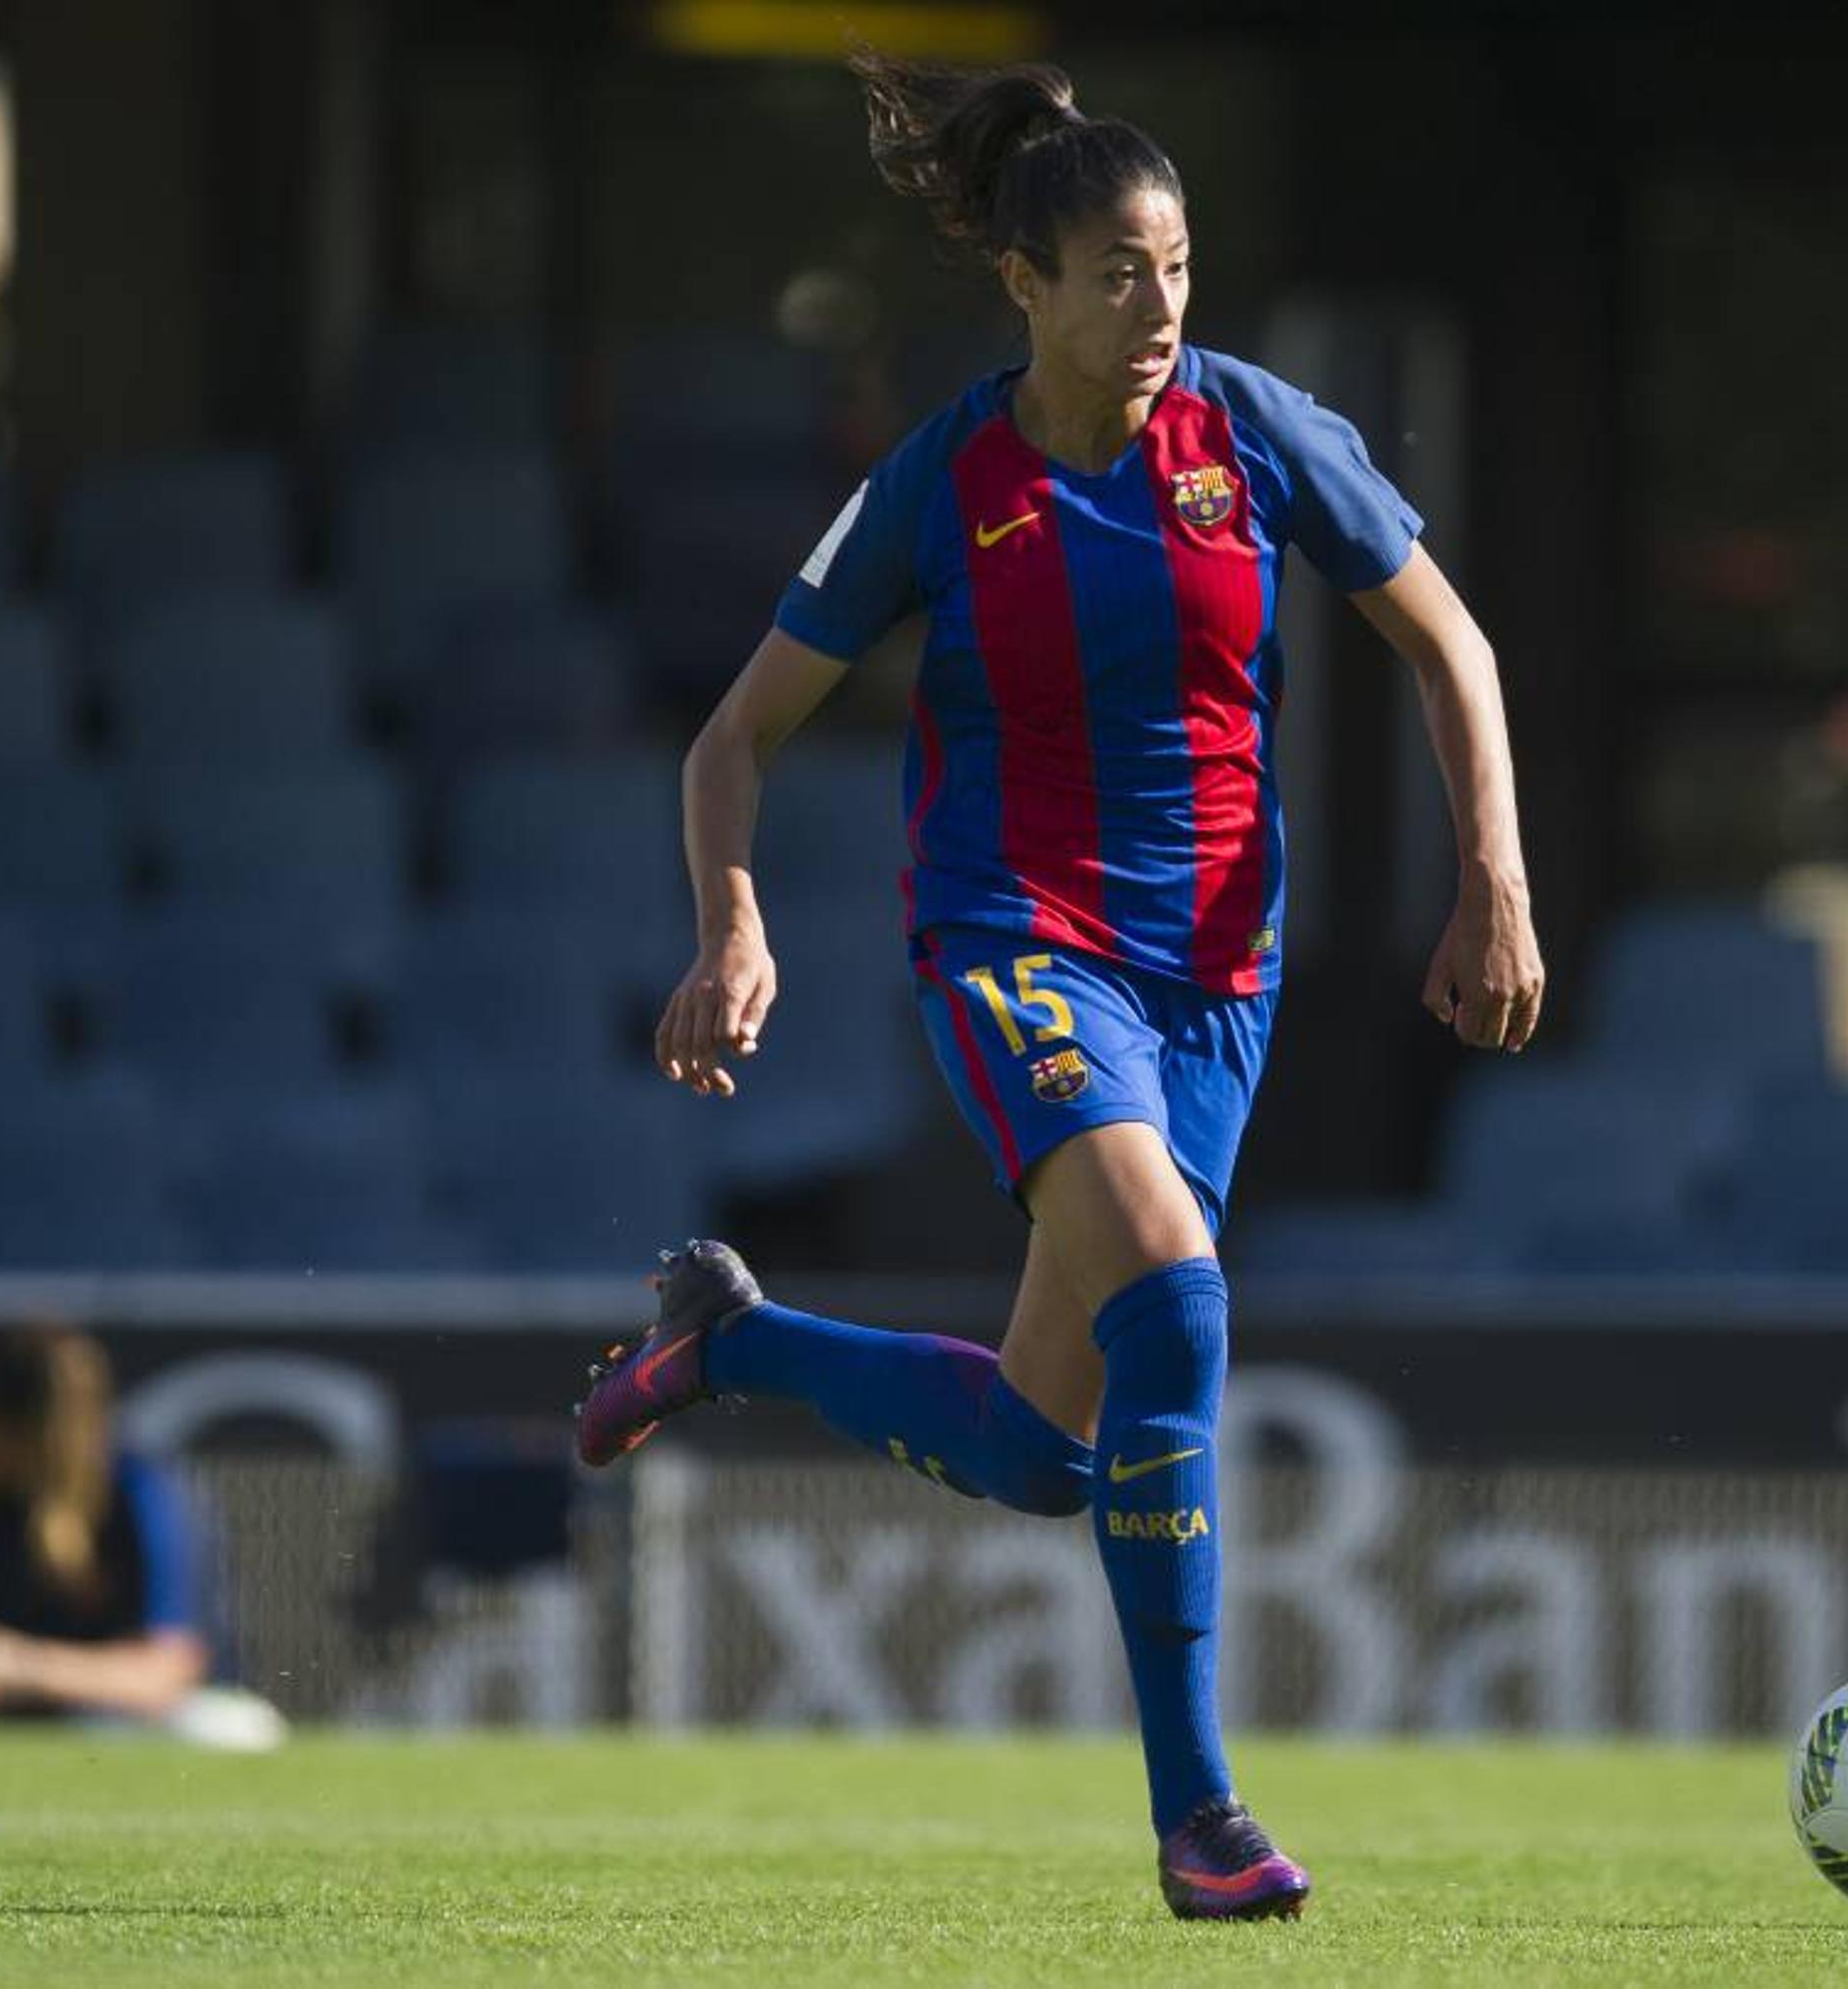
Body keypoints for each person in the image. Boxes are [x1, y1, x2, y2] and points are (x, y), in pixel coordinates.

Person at [575, 54, 1545, 1920]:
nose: (1159, 307)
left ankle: (730, 1344)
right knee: (1177, 1307)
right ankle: (1203, 1821)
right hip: (1020, 944)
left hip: (1218, 985)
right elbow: (733, 739)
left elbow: (1451, 645)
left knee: (1042, 1451)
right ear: (1024, 285)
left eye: (1177, 267)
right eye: (1116, 271)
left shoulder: (1257, 435)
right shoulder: (945, 478)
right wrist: (734, 919)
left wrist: (1490, 878)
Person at [0, 1328, 278, 1748]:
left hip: (147, 1730)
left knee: (229, 1728)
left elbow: (165, 1673)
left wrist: (14, 1666)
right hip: (19, 1733)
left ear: (6, 1420)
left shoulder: (144, 1495)